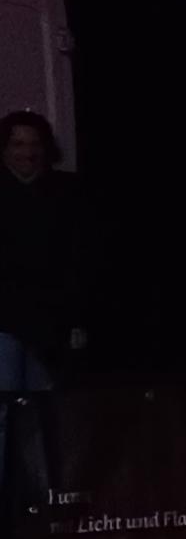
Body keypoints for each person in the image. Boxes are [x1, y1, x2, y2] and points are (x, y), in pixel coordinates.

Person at [0, 109, 84, 391]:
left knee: (46, 404)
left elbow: (77, 257)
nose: (28, 152)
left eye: (35, 143)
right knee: (5, 401)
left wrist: (76, 318)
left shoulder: (68, 192)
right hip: (4, 320)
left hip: (51, 321)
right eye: (18, 144)